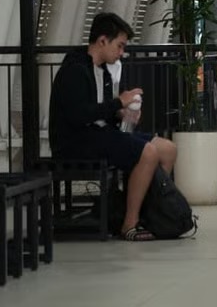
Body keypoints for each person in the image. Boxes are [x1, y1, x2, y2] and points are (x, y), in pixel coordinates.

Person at [48, 12, 178, 241]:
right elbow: (79, 115)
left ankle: (151, 211)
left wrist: (122, 115)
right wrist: (119, 102)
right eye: (119, 46)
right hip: (77, 140)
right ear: (102, 41)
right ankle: (130, 224)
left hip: (98, 134)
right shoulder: (75, 70)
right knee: (147, 153)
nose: (121, 53)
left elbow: (103, 112)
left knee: (168, 149)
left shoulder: (104, 72)